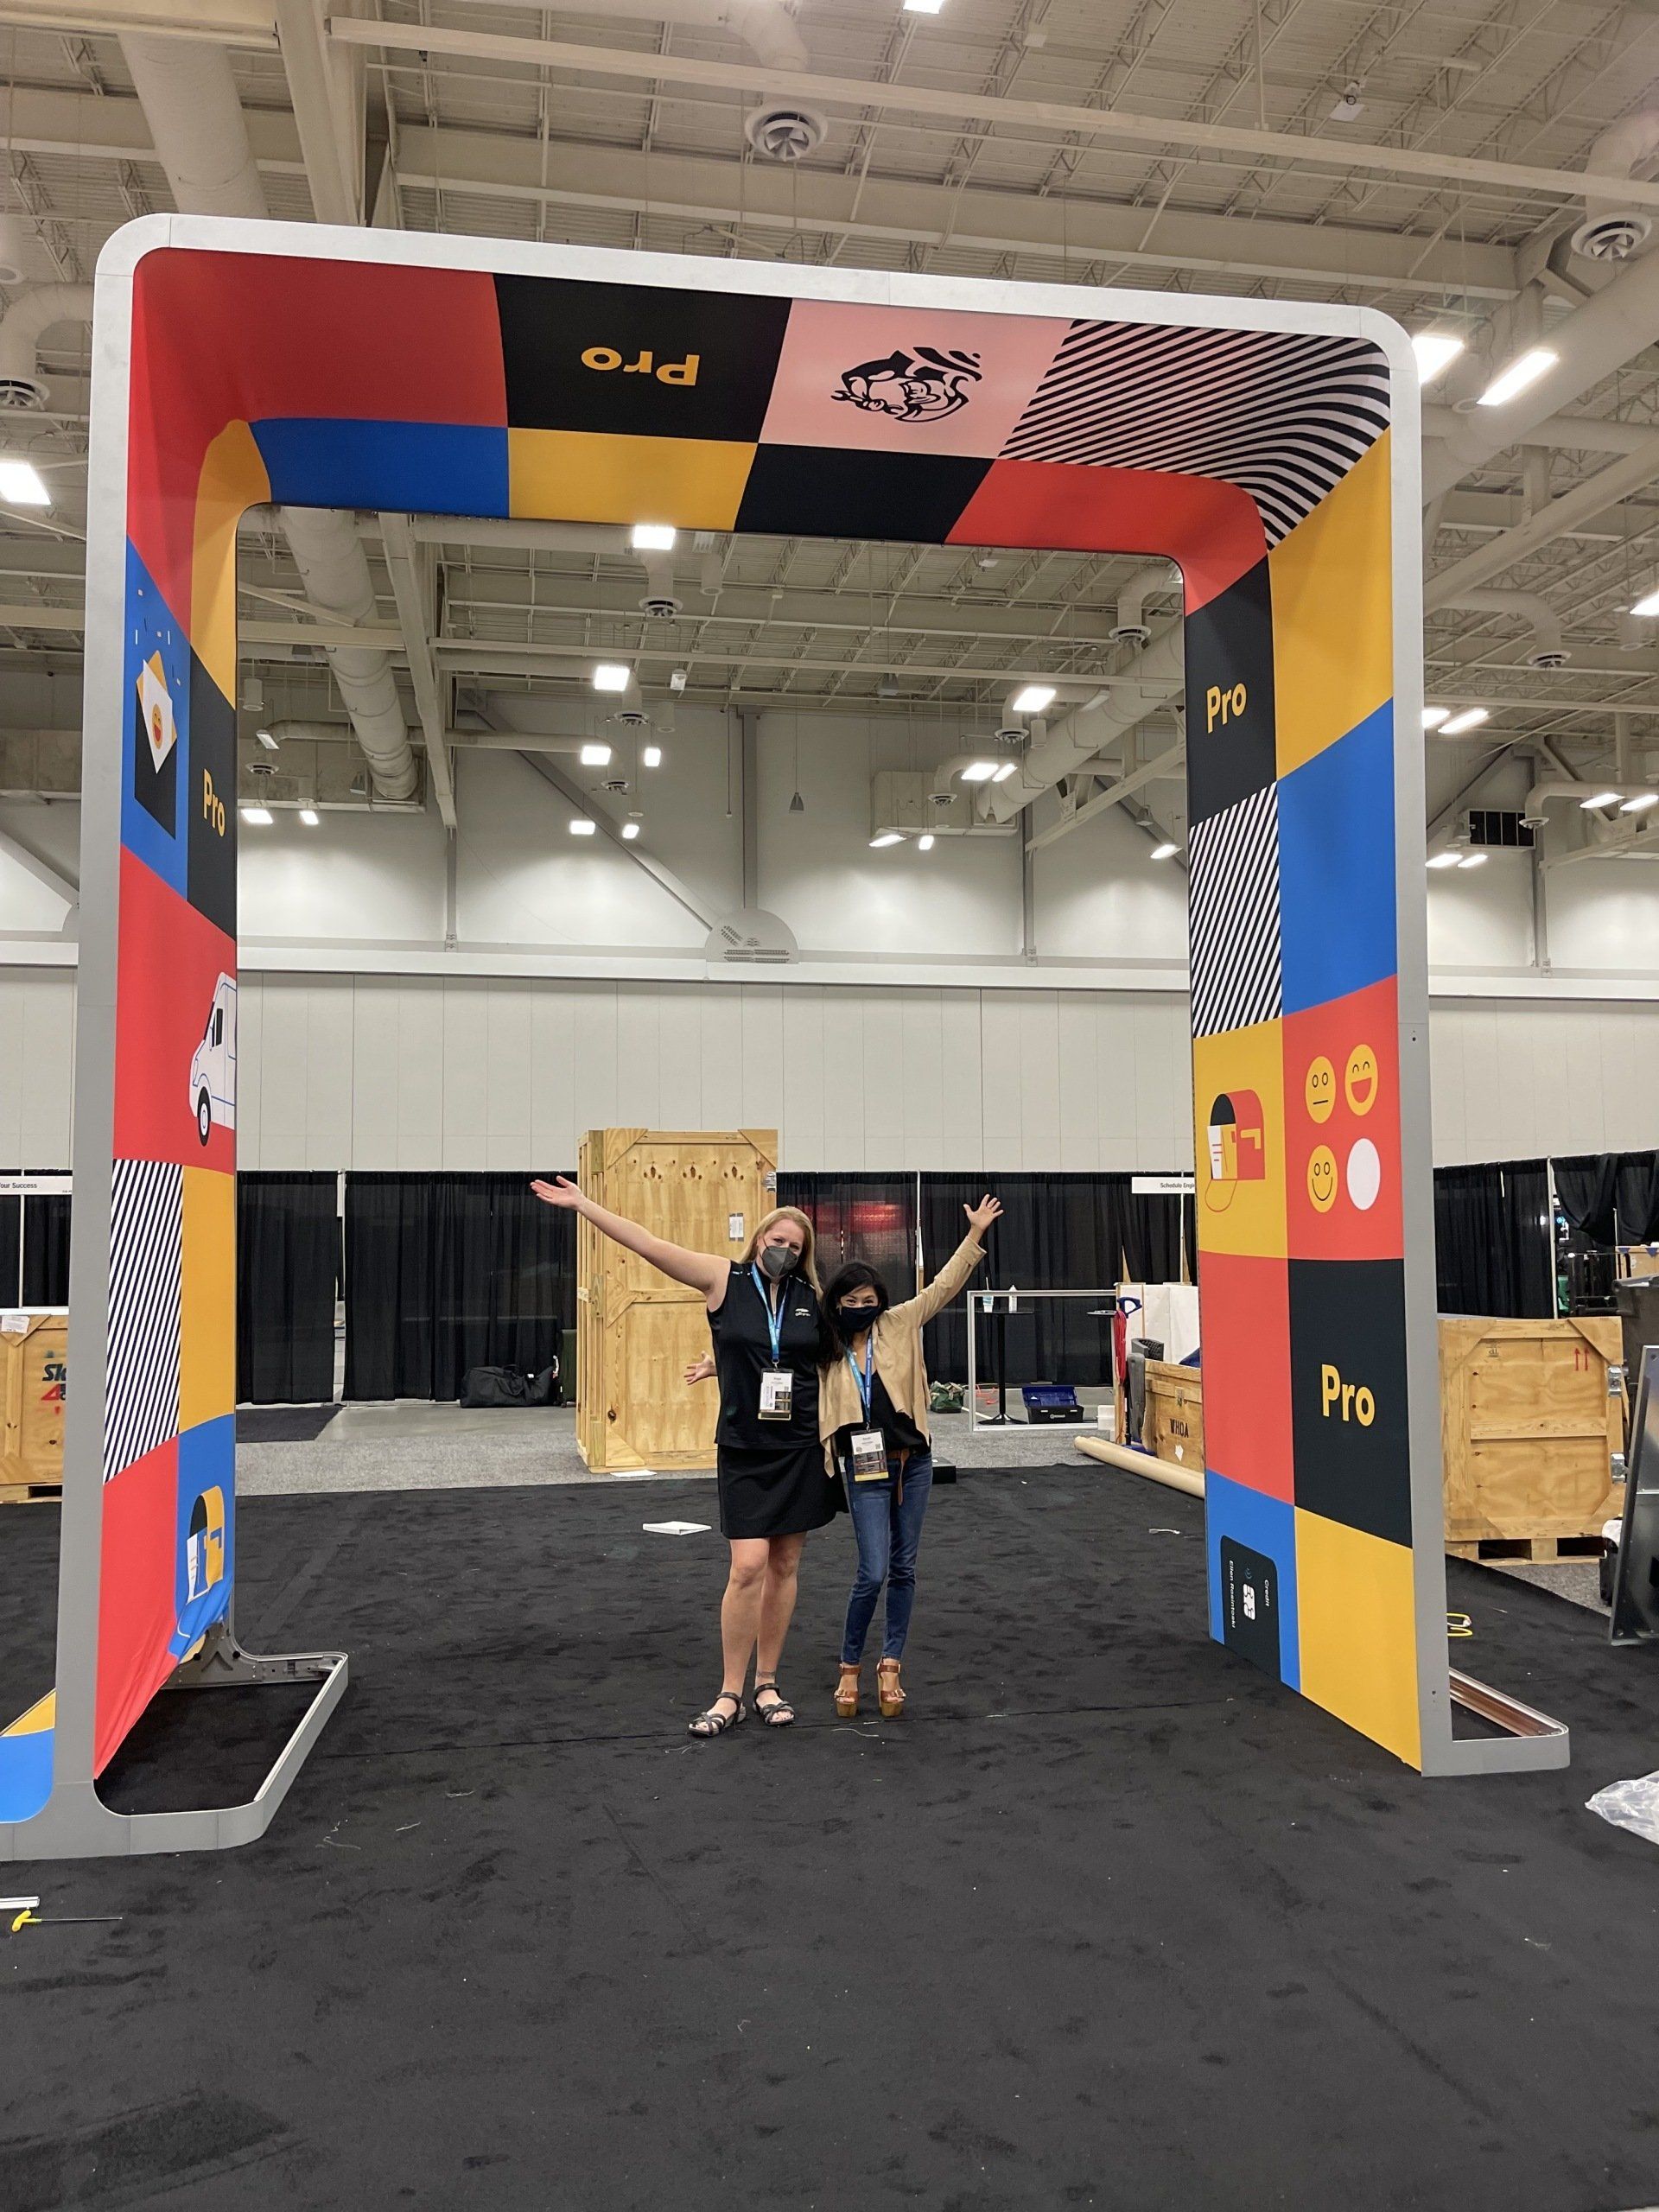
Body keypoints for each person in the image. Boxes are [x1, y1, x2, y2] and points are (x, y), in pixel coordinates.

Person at [530, 1178, 831, 1737]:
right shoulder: (724, 1277)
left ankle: (767, 1683)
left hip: (799, 1448)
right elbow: (646, 1242)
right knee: (747, 1566)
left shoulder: (811, 1299)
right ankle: (729, 1693)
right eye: (777, 1238)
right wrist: (583, 1204)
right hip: (745, 1447)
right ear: (759, 1236)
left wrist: (725, 1365)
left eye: (795, 1245)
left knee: (786, 1565)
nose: (783, 1250)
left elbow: (817, 1360)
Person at [822, 1195, 1002, 1720]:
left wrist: (974, 1236)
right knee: (871, 1571)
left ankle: (891, 1665)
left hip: (912, 1461)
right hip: (863, 1467)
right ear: (837, 1304)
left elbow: (944, 1286)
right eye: (851, 1299)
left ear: (881, 1298)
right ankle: (850, 1666)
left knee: (904, 1568)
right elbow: (778, 1359)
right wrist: (722, 1368)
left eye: (868, 1297)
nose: (861, 1305)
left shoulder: (899, 1323)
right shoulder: (826, 1344)